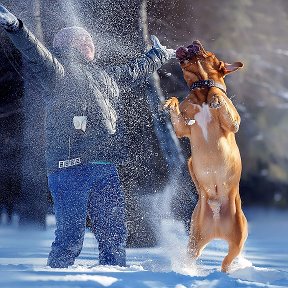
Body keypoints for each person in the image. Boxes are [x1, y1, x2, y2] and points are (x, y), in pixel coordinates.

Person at [0, 4, 175, 268]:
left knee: (114, 237)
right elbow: (34, 50)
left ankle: (115, 277)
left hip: (105, 168)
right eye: (84, 40)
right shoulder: (56, 72)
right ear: (72, 44)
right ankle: (56, 279)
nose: (90, 44)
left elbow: (135, 70)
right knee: (70, 239)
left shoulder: (105, 77)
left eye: (90, 40)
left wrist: (158, 56)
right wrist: (16, 26)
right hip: (69, 168)